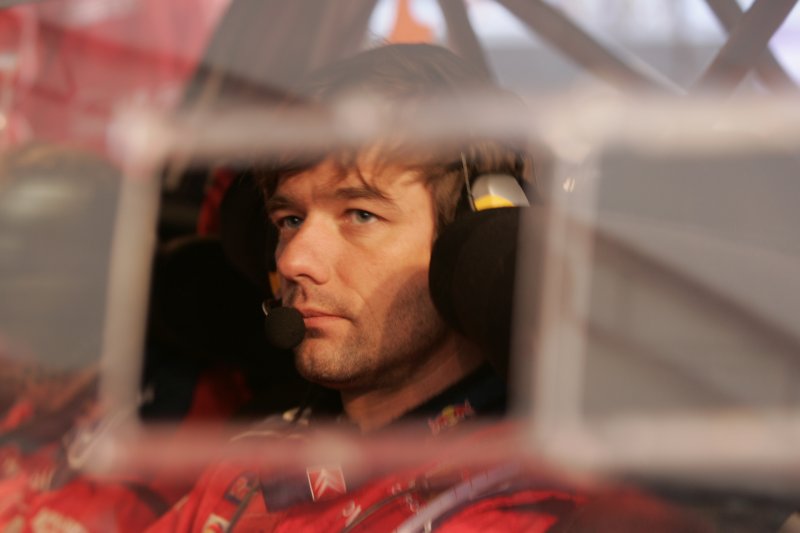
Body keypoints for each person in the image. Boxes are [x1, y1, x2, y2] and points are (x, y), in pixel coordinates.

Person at [144, 44, 712, 532]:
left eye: (360, 215)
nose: (294, 260)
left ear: (474, 230)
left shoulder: (525, 504)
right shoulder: (254, 463)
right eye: (290, 220)